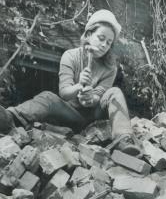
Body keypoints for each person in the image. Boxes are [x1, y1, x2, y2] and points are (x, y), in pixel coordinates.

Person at [0, 9, 140, 154]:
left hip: (95, 116)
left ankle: (123, 139)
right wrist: (79, 86)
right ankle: (9, 117)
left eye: (109, 42)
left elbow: (100, 95)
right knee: (48, 97)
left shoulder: (110, 67)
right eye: (101, 38)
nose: (104, 44)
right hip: (71, 115)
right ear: (88, 34)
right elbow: (64, 93)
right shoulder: (70, 56)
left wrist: (90, 98)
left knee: (115, 92)